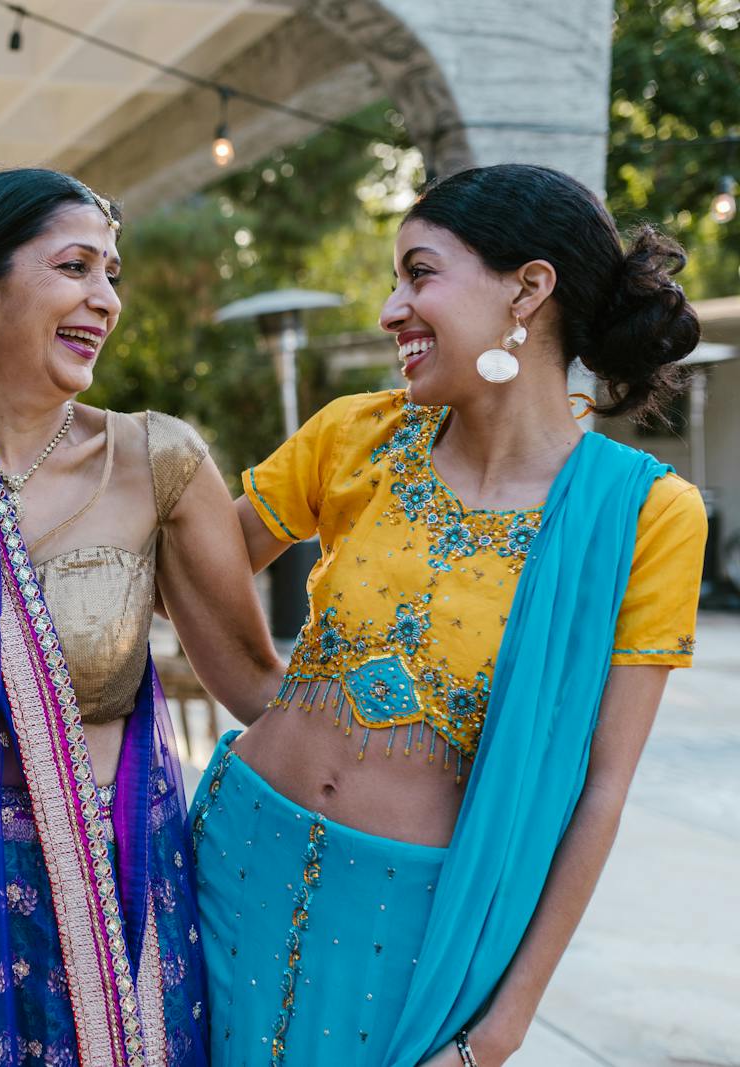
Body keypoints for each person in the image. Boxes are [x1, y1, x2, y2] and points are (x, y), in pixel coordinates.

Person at [190, 163, 707, 1067]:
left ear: (529, 288)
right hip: (229, 862)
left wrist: (494, 1038)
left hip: (408, 925)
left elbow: (601, 793)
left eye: (419, 273)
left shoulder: (643, 517)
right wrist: (266, 695)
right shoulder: (358, 434)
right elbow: (195, 569)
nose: (392, 309)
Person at [0, 168, 283, 1067]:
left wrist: (407, 771)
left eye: (112, 274)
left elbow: (258, 687)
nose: (104, 299)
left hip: (120, 898)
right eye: (76, 268)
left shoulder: (157, 460)